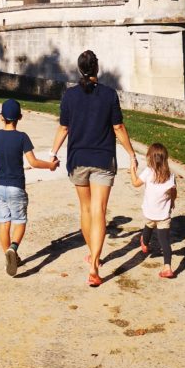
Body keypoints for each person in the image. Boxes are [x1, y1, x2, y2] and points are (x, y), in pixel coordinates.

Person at [49, 50, 137, 287]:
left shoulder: (69, 96)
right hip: (102, 159)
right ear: (96, 68)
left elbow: (63, 129)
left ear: (79, 69)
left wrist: (52, 153)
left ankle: (92, 254)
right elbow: (118, 127)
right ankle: (94, 265)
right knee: (99, 210)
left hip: (78, 159)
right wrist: (131, 154)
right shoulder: (109, 95)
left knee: (86, 209)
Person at [0, 97, 59, 276]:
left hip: (0, 186)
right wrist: (51, 165)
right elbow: (33, 162)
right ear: (20, 117)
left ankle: (9, 256)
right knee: (20, 222)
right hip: (16, 187)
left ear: (1, 117)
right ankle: (13, 248)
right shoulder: (22, 137)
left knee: (4, 224)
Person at [130, 142, 177, 278]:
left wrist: (132, 170)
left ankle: (144, 243)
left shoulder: (148, 172)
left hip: (150, 212)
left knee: (148, 226)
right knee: (164, 242)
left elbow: (135, 183)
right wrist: (172, 202)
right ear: (165, 158)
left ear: (149, 157)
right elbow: (174, 193)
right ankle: (167, 267)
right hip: (163, 215)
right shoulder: (170, 176)